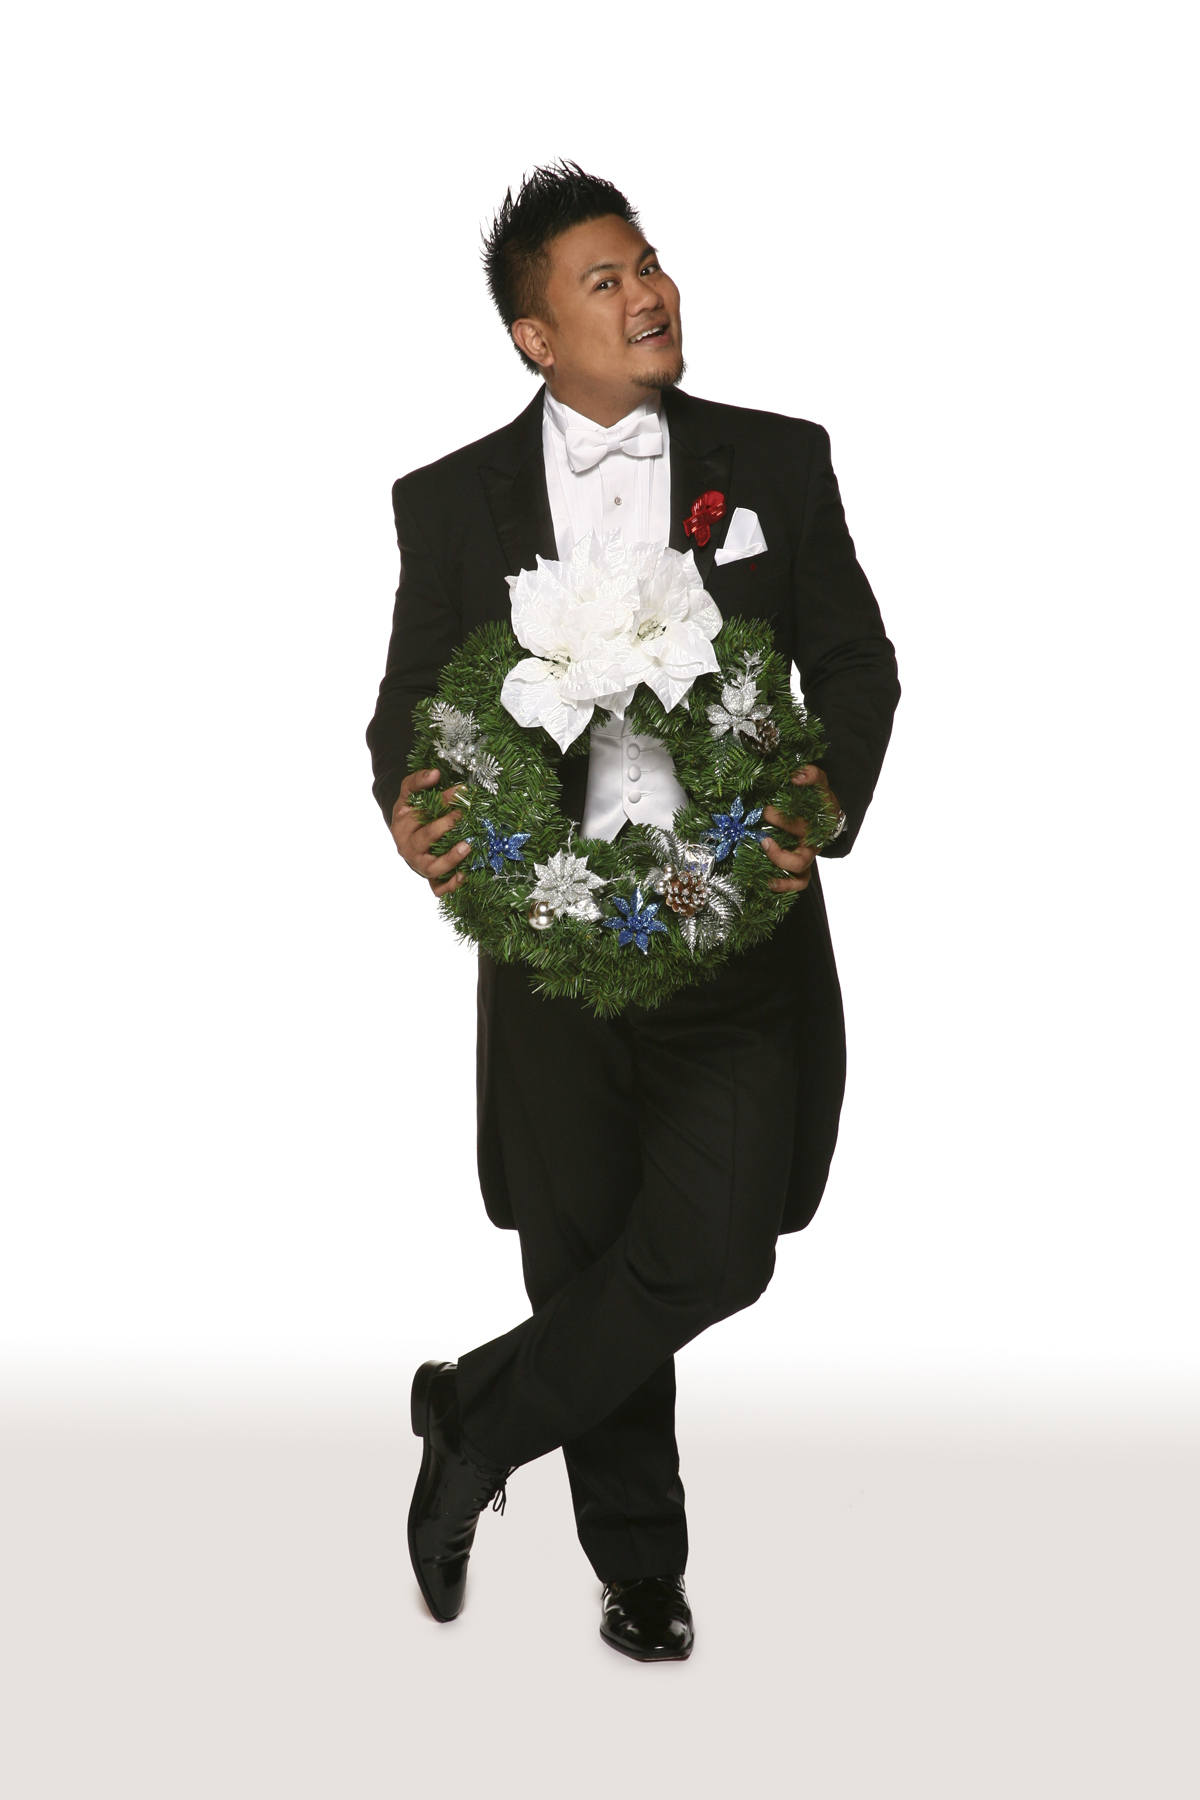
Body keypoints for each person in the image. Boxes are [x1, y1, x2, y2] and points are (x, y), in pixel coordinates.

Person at [366, 162, 899, 1662]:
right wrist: (408, 800)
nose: (647, 293)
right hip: (550, 948)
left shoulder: (775, 463)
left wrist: (820, 798)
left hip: (735, 927)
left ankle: (474, 1419)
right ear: (537, 335)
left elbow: (855, 664)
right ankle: (640, 1570)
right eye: (604, 281)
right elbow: (410, 701)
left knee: (714, 1253)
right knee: (585, 1252)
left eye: (649, 264)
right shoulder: (446, 501)